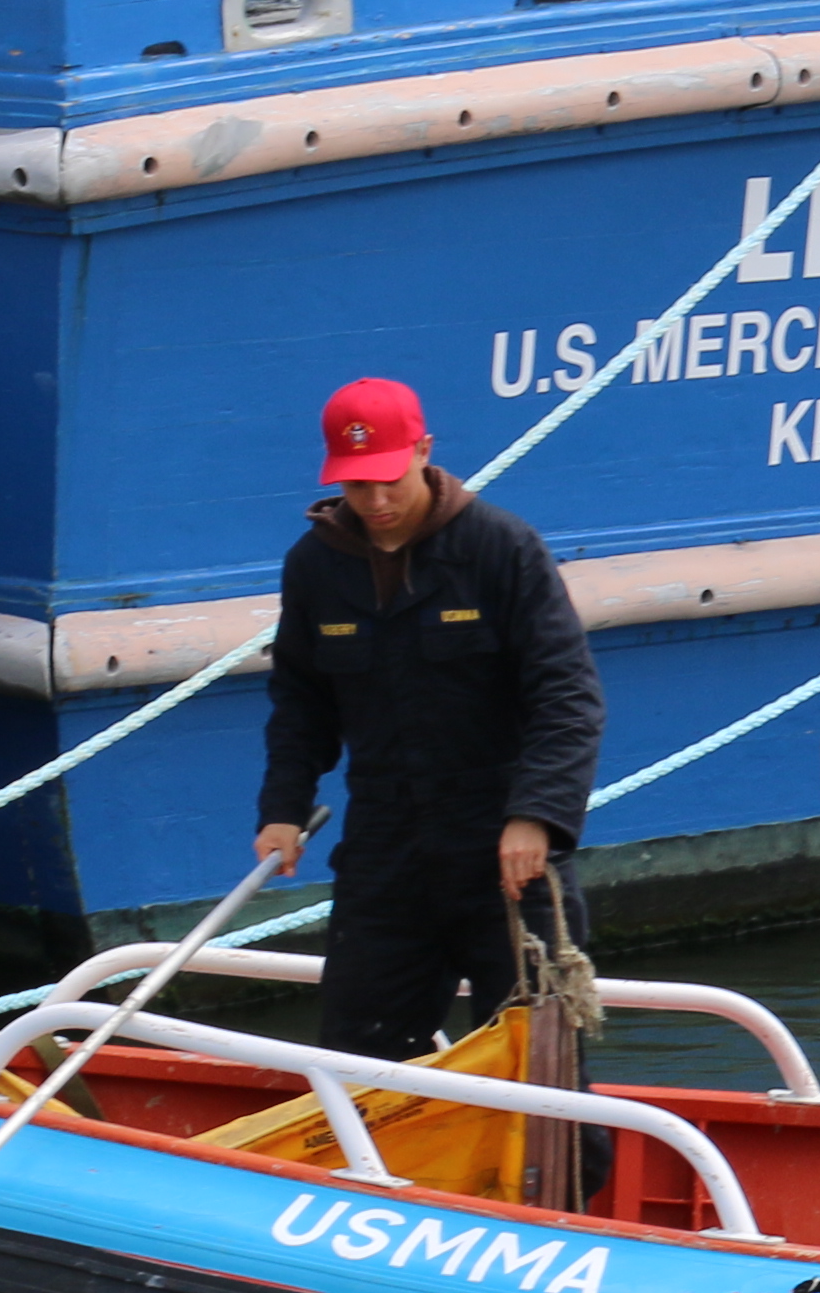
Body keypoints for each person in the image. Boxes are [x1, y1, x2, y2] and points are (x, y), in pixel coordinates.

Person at [254, 376, 602, 1064]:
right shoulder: (315, 567)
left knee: (541, 1071)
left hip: (505, 852)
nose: (377, 502)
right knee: (357, 1057)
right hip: (386, 850)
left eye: (389, 479)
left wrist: (535, 815)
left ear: (424, 452)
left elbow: (568, 696)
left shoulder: (501, 550)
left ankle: (566, 1175)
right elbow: (301, 701)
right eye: (357, 486)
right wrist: (283, 808)